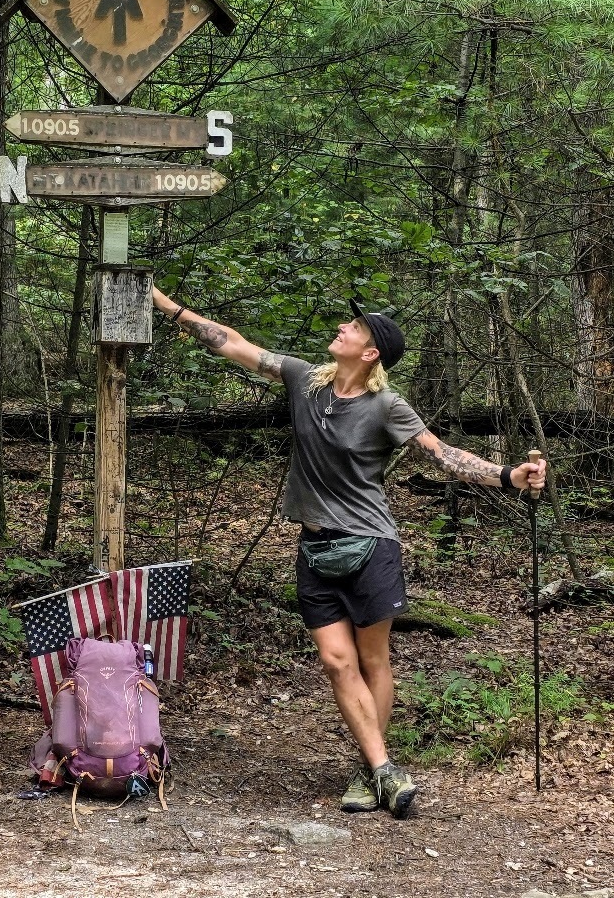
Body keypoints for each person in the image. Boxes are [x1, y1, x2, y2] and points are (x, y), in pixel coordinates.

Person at [152, 286, 547, 819]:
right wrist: (165, 304)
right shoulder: (303, 381)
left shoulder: (387, 406)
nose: (343, 327)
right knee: (337, 663)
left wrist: (508, 476)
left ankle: (369, 770)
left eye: (355, 328)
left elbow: (442, 455)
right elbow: (232, 342)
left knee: (371, 659)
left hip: (370, 546)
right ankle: (384, 768)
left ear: (370, 353)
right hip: (314, 546)